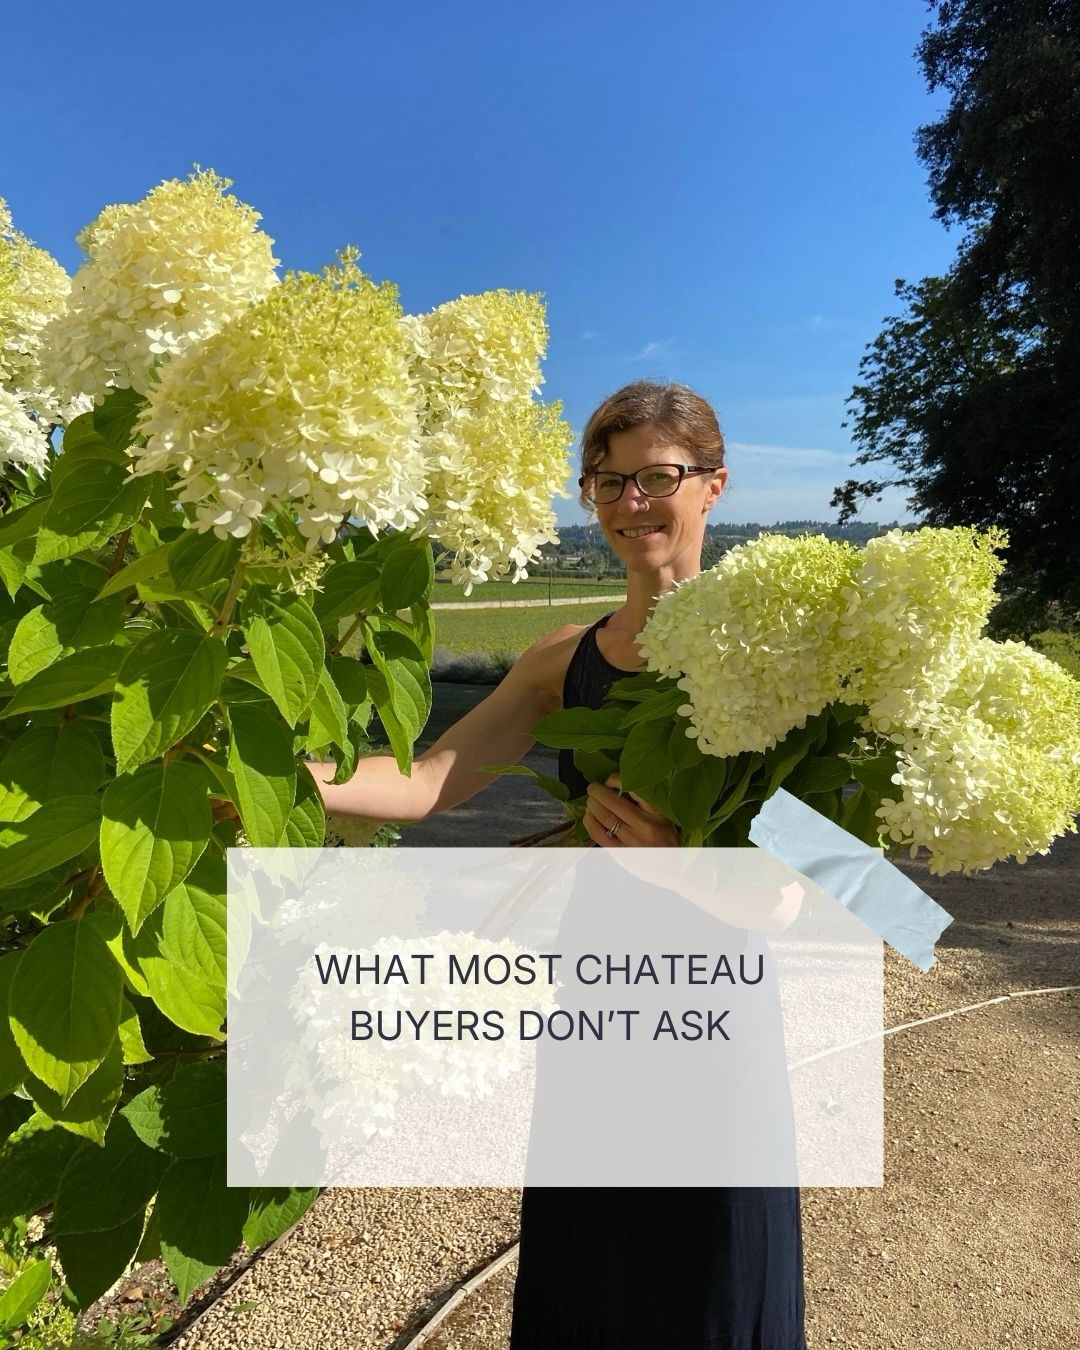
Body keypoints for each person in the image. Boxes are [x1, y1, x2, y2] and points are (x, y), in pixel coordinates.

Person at [308, 380, 807, 1348]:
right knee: (592, 1258)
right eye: (607, 483)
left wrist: (685, 867)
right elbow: (429, 781)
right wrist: (272, 781)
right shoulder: (561, 660)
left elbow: (825, 889)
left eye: (656, 477)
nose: (630, 504)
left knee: (713, 1265)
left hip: (718, 1006)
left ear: (713, 485)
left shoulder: (782, 659)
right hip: (597, 992)